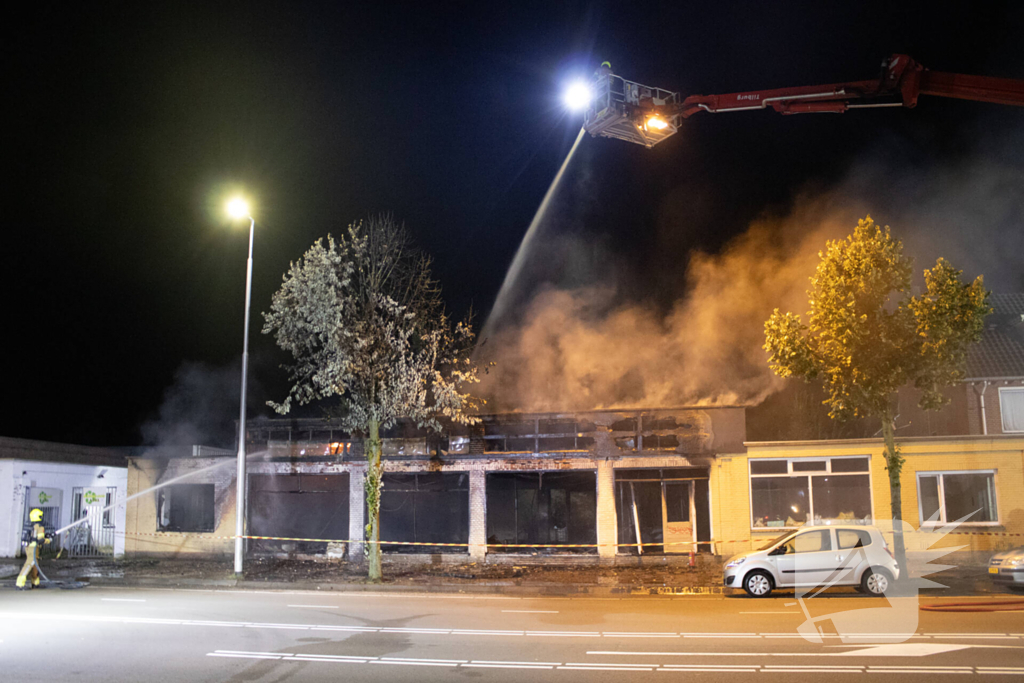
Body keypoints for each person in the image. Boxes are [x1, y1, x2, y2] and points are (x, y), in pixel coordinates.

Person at [16, 508, 52, 590]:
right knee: (29, 564)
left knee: (35, 565)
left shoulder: (30, 525)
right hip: (34, 548)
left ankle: (35, 582)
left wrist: (46, 535)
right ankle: (20, 582)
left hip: (28, 547)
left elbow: (34, 536)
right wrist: (49, 540)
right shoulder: (40, 527)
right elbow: (40, 539)